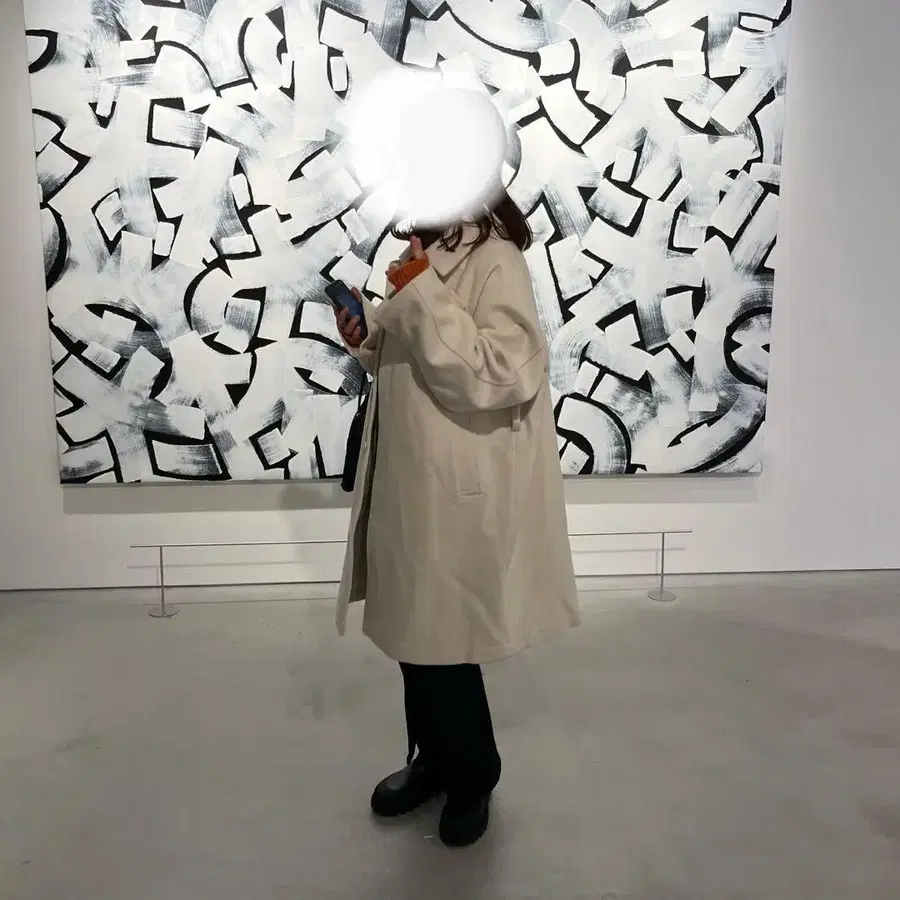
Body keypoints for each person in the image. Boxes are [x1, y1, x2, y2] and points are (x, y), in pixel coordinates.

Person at [332, 187, 580, 848]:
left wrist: (419, 292)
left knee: (443, 644)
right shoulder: (435, 250)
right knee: (417, 640)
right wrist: (368, 336)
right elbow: (419, 350)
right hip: (413, 483)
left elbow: (502, 372)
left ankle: (473, 776)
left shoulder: (495, 258)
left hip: (454, 491)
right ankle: (433, 761)